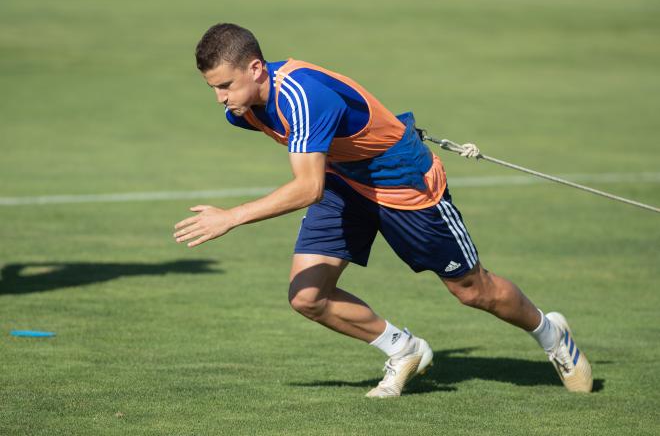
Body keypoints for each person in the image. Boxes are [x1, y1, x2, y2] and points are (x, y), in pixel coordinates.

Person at [174, 23, 593, 397]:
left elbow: (307, 188)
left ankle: (550, 333)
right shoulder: (243, 111)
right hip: (343, 181)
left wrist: (231, 217)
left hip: (403, 184)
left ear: (256, 68)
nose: (219, 98)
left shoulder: (303, 97)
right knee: (307, 297)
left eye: (225, 84)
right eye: (212, 87)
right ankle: (404, 349)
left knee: (472, 290)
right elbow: (319, 172)